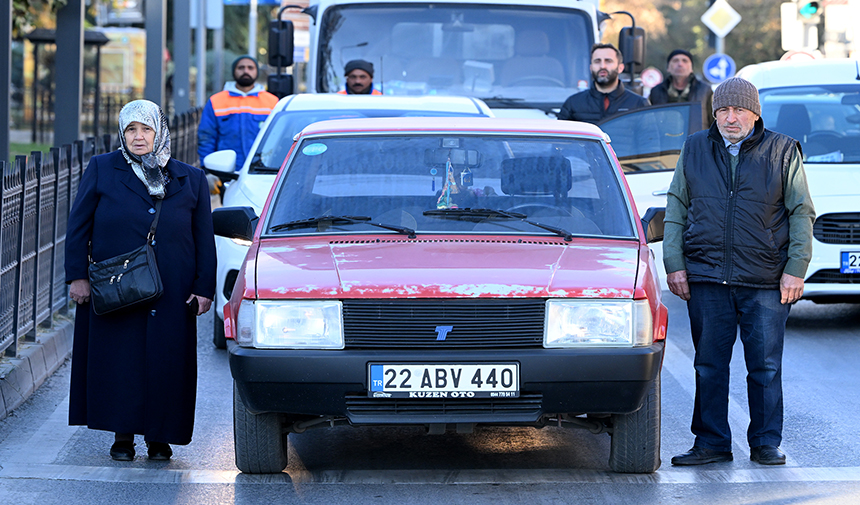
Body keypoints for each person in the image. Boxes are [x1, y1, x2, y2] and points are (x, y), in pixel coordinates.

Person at [664, 78, 815, 467]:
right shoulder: (695, 147)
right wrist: (675, 264)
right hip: (707, 275)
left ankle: (765, 442)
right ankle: (711, 442)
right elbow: (677, 206)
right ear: (714, 113)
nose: (731, 118)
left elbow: (801, 212)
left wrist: (795, 269)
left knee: (764, 366)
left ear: (755, 113)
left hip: (765, 278)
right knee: (709, 365)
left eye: (739, 110)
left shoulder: (782, 150)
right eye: (724, 110)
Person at [66, 100, 217, 462]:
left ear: (158, 131)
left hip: (173, 290)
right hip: (117, 287)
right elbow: (78, 227)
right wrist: (77, 278)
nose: (138, 136)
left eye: (145, 129)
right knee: (121, 361)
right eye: (131, 129)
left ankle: (160, 437)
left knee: (167, 363)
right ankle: (122, 437)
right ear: (122, 133)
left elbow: (203, 239)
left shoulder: (189, 178)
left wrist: (203, 287)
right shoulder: (103, 169)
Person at [197, 55, 279, 171]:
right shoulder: (216, 101)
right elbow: (206, 138)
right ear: (234, 71)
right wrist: (207, 170)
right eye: (241, 68)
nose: (246, 71)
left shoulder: (272, 102)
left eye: (250, 68)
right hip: (225, 172)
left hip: (263, 170)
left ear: (257, 72)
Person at [557, 43, 649, 123]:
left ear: (620, 68)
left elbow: (650, 140)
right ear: (591, 67)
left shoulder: (638, 105)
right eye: (597, 61)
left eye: (608, 61)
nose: (602, 66)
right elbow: (560, 141)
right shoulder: (573, 104)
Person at [649, 49, 714, 129]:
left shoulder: (705, 90)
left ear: (691, 68)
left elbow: (713, 122)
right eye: (675, 61)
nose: (680, 64)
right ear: (668, 67)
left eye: (685, 61)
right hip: (665, 139)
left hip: (697, 140)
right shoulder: (656, 91)